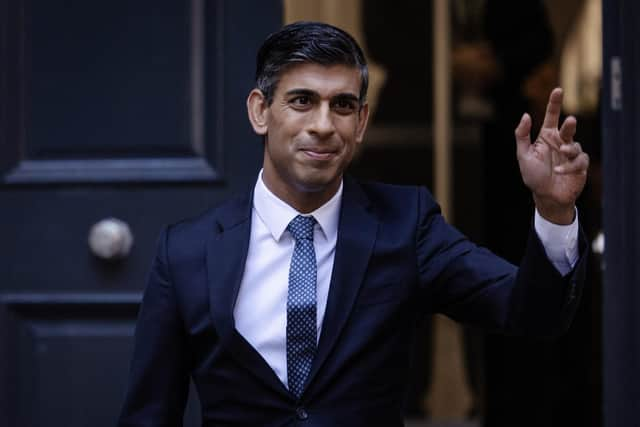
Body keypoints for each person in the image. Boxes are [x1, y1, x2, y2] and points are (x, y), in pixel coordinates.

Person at [118, 21, 589, 427]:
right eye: (302, 101)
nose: (324, 124)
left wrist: (552, 211)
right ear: (261, 111)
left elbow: (532, 314)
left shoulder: (408, 226)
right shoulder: (186, 251)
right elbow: (149, 415)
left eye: (342, 105)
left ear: (361, 121)